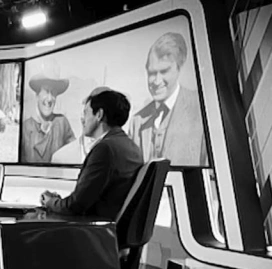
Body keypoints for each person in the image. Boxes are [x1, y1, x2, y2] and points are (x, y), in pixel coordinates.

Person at [41, 90, 144, 219]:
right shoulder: (133, 148)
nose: (82, 119)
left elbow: (76, 206)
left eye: (86, 113)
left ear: (99, 115)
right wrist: (58, 202)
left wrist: (50, 202)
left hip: (95, 226)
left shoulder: (105, 149)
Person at [128, 32, 206, 166]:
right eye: (152, 73)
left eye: (164, 71)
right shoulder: (137, 121)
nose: (157, 81)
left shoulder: (200, 109)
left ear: (179, 68)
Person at [21, 64, 75, 163]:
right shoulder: (25, 128)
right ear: (37, 95)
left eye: (53, 93)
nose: (49, 99)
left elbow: (73, 153)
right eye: (46, 91)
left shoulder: (62, 123)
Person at [51, 86, 111, 164]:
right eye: (85, 113)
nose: (82, 119)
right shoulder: (61, 158)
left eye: (86, 113)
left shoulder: (120, 153)